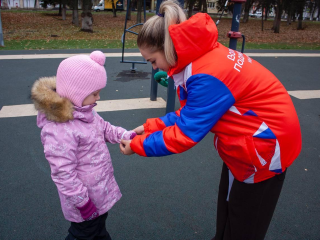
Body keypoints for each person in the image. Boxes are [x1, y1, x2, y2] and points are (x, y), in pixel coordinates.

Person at [119, 1, 302, 239]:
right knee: (230, 206)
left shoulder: (206, 76)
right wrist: (149, 126)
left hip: (266, 146)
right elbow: (192, 114)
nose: (154, 69)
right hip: (251, 137)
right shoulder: (203, 56)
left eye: (153, 61)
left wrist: (137, 145)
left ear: (168, 48)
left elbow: (185, 134)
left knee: (246, 223)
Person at [31, 51, 136, 240]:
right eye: (94, 93)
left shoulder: (86, 112)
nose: (98, 98)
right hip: (84, 201)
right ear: (76, 93)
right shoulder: (59, 130)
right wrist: (83, 203)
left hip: (98, 191)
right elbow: (63, 174)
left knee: (97, 230)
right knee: (83, 234)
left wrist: (126, 135)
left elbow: (105, 129)